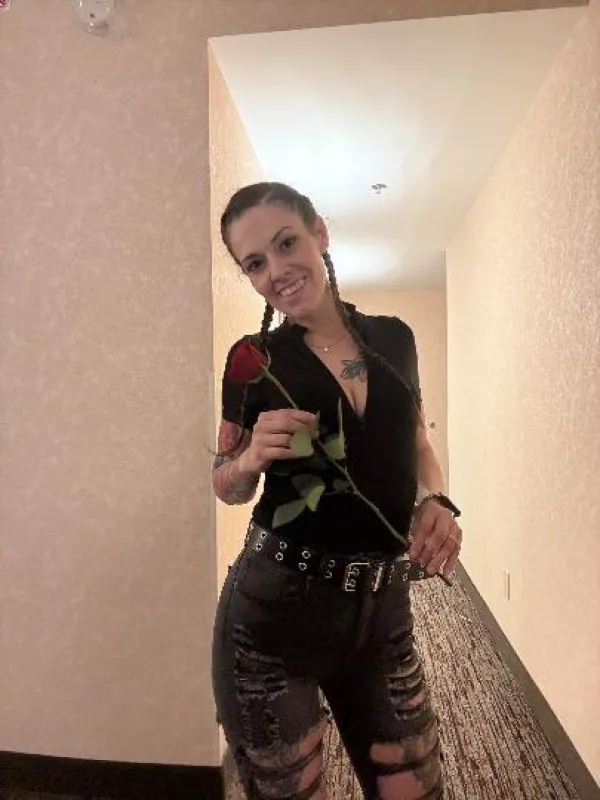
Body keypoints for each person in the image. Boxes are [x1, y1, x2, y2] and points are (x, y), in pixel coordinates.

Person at [211, 182, 463, 800]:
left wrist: (435, 500)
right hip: (272, 621)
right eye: (255, 263)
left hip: (383, 613)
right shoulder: (252, 361)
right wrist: (249, 457)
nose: (277, 272)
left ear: (319, 234)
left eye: (286, 243)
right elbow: (225, 483)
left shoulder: (395, 339)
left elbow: (418, 443)